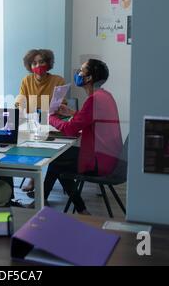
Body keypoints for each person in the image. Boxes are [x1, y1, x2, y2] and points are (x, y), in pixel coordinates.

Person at [44, 59, 123, 215]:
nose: (78, 73)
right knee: (59, 161)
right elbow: (92, 119)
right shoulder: (105, 96)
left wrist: (50, 117)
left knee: (56, 162)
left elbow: (70, 130)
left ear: (89, 78)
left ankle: (42, 204)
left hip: (99, 162)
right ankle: (80, 209)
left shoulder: (93, 100)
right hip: (110, 157)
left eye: (81, 70)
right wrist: (72, 113)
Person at [15, 49, 66, 192]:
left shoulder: (58, 80)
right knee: (28, 141)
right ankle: (33, 177)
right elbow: (21, 98)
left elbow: (62, 103)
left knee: (45, 142)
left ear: (48, 63)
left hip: (50, 120)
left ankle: (44, 179)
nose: (38, 65)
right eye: (34, 63)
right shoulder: (26, 80)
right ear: (29, 66)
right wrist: (19, 106)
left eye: (42, 62)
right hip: (31, 121)